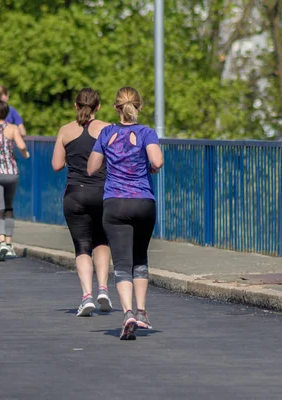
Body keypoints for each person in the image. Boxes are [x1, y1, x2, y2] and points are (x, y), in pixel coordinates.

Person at [87, 87, 163, 340]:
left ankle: (128, 312)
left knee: (121, 263)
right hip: (142, 201)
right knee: (140, 258)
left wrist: (111, 161)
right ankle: (142, 312)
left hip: (115, 203)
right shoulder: (146, 133)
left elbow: (92, 168)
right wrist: (147, 166)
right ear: (139, 107)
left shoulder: (106, 133)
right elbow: (157, 161)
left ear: (116, 108)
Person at [52, 88, 113, 317]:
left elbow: (57, 165)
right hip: (102, 192)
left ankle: (86, 296)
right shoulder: (108, 129)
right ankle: (104, 290)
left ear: (76, 106)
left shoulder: (65, 131)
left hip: (75, 194)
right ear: (98, 107)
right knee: (102, 241)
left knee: (82, 246)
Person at [0, 99, 30, 261]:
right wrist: (25, 154)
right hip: (11, 173)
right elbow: (22, 146)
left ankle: (1, 241)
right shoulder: (12, 128)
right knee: (9, 207)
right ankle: (10, 245)